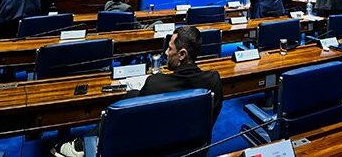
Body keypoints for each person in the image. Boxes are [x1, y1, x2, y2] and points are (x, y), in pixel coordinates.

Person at [51, 25, 223, 157]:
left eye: (170, 48)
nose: (166, 52)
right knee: (132, 95)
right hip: (193, 149)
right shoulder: (213, 81)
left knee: (128, 101)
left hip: (154, 150)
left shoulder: (156, 83)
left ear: (182, 54)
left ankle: (80, 146)